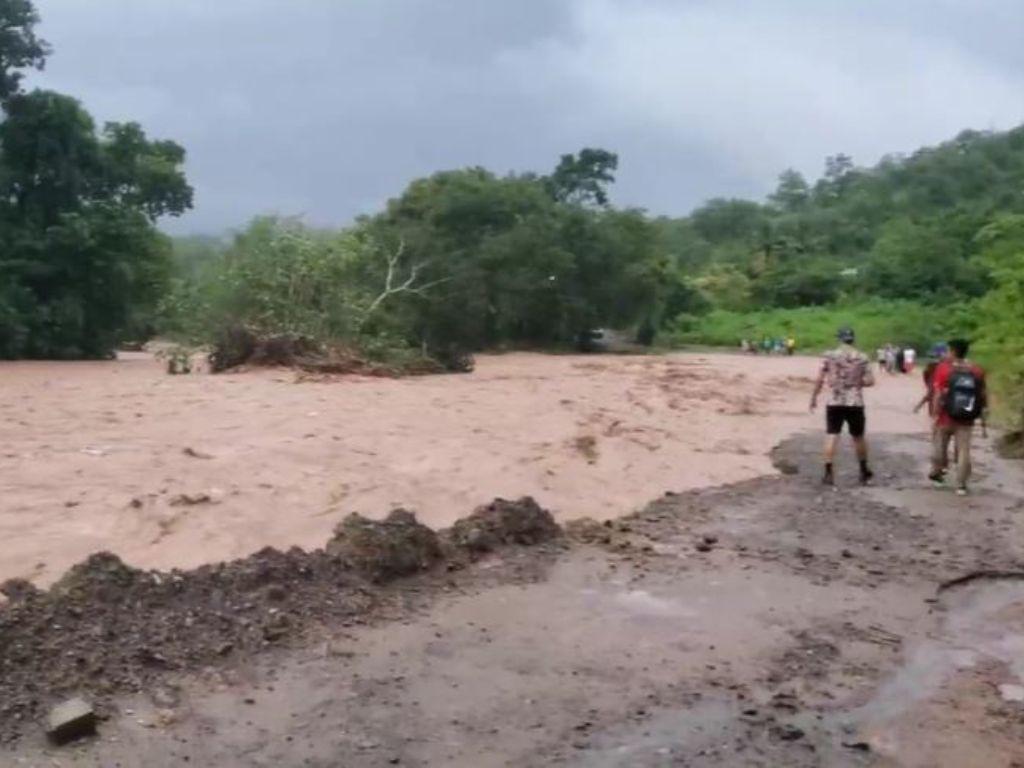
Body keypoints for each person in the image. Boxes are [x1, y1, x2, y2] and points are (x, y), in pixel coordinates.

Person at [810, 326, 875, 486]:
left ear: (839, 338)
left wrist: (814, 397)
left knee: (832, 434)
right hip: (855, 402)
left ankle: (828, 472)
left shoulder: (829, 356)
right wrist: (857, 382)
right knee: (858, 436)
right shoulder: (862, 357)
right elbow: (870, 381)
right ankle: (863, 471)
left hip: (835, 400)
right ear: (853, 339)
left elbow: (820, 379)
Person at [929, 338, 987, 496]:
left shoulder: (943, 369)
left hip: (946, 416)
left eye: (948, 350)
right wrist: (982, 416)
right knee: (964, 451)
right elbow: (982, 395)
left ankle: (938, 473)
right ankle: (961, 485)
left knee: (940, 447)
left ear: (953, 351)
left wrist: (934, 414)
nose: (946, 353)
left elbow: (938, 394)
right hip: (967, 418)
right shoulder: (977, 370)